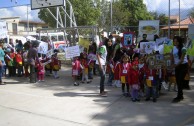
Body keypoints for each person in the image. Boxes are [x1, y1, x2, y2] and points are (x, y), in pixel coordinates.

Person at [171, 36, 188, 103]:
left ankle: (179, 96)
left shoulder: (183, 49)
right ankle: (180, 95)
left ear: (179, 41)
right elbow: (171, 57)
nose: (175, 42)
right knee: (178, 81)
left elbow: (181, 60)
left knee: (180, 80)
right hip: (177, 66)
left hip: (183, 66)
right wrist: (171, 63)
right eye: (174, 41)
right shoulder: (173, 48)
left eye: (176, 41)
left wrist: (175, 65)